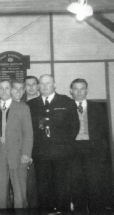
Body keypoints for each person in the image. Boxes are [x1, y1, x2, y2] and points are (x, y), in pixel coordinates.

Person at [27, 74, 79, 212]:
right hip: (40, 153)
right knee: (43, 186)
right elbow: (28, 130)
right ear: (38, 86)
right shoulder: (31, 105)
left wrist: (64, 146)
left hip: (62, 153)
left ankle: (63, 210)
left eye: (48, 83)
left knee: (63, 185)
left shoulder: (66, 102)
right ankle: (47, 210)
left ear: (54, 85)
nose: (44, 86)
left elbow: (74, 127)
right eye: (42, 84)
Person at [0, 79, 33, 209]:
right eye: (1, 88)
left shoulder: (23, 108)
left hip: (17, 154)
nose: (4, 91)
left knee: (19, 191)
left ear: (12, 90)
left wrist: (26, 154)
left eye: (7, 88)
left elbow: (28, 133)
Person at [69, 78, 109, 213]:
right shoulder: (66, 108)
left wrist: (102, 156)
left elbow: (104, 132)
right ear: (71, 91)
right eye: (76, 89)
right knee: (77, 187)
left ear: (87, 90)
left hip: (94, 154)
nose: (79, 92)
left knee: (95, 188)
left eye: (82, 89)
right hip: (73, 153)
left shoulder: (97, 108)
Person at [12, 78, 39, 209]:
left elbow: (31, 133)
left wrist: (28, 153)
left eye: (33, 85)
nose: (30, 87)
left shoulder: (31, 106)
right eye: (27, 85)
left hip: (30, 153)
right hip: (13, 155)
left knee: (31, 188)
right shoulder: (5, 105)